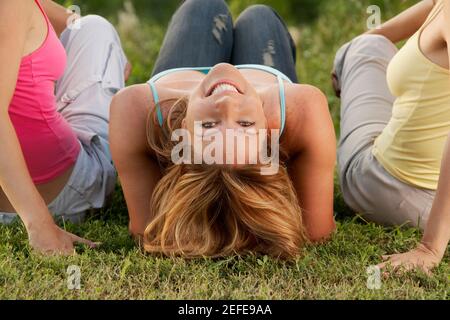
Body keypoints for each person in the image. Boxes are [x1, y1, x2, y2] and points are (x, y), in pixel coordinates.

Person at [110, 0, 336, 259]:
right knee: (258, 16)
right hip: (264, 73)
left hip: (182, 71)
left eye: (208, 126)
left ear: (182, 134)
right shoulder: (302, 109)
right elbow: (319, 233)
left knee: (204, 5)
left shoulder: (135, 109)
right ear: (269, 137)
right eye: (245, 124)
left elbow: (146, 233)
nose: (227, 102)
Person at [0, 0, 129, 255]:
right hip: (59, 196)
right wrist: (39, 224)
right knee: (98, 29)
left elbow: (71, 23)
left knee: (87, 28)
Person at [332, 0, 449, 273]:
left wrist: (429, 249)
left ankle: (345, 58)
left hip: (387, 186)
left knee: (365, 48)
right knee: (372, 42)